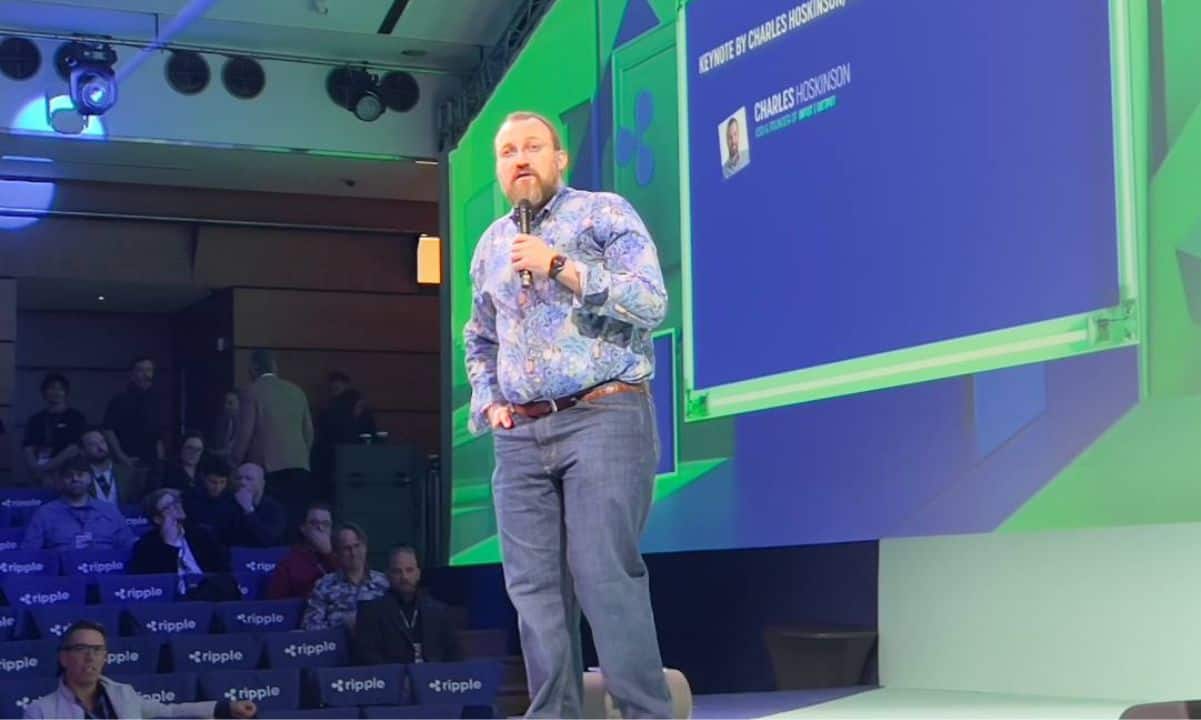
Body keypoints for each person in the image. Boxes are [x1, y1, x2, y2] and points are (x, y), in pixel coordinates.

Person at [463, 110, 671, 718]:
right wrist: (489, 401)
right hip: (520, 434)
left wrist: (560, 265)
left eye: (532, 147)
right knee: (534, 590)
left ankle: (645, 713)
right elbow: (479, 337)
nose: (519, 159)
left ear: (560, 159)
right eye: (507, 152)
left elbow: (650, 301)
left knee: (604, 575)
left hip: (603, 413)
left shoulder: (603, 213)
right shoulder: (491, 245)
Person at [23, 620, 256, 719]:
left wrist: (227, 707)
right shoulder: (40, 711)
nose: (90, 657)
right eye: (81, 649)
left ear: (105, 657)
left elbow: (171, 711)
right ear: (64, 658)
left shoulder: (124, 693)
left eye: (97, 650)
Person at [231, 349, 315, 533]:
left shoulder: (251, 392)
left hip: (268, 470)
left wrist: (234, 463)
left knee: (271, 524)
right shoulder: (297, 391)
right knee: (295, 524)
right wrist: (299, 456)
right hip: (300, 468)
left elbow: (245, 434)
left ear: (253, 367)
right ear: (275, 367)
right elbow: (309, 433)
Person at [353, 545, 462, 666]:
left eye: (409, 570)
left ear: (418, 574)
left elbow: (454, 656)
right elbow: (368, 658)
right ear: (387, 575)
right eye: (397, 571)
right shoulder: (370, 613)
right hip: (392, 676)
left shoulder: (439, 611)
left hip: (433, 676)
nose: (404, 577)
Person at [21, 456, 135, 552]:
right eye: (68, 476)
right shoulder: (44, 514)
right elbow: (29, 554)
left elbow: (129, 548)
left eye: (80, 474)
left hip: (107, 570)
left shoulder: (110, 511)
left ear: (90, 478)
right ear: (61, 481)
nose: (75, 479)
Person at [130, 488, 230, 595]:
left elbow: (223, 569)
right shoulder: (146, 546)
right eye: (168, 506)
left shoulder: (202, 535)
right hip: (174, 597)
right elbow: (156, 584)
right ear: (157, 519)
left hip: (209, 591)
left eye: (176, 501)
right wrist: (170, 545)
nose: (177, 506)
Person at [302, 522, 387, 631]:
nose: (353, 553)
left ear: (365, 547)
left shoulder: (384, 582)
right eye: (347, 548)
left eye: (357, 546)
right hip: (337, 640)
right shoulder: (324, 586)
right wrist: (343, 625)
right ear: (336, 554)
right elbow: (309, 628)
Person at [21, 373, 86, 484]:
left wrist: (47, 467)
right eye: (51, 388)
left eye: (60, 389)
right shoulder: (36, 419)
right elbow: (28, 447)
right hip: (40, 474)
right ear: (44, 393)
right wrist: (36, 469)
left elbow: (74, 448)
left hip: (69, 472)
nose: (55, 392)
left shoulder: (76, 417)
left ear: (66, 392)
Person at [102, 357, 165, 469]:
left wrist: (161, 461)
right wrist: (121, 457)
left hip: (153, 462)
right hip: (128, 461)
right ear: (132, 374)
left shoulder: (157, 400)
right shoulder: (120, 400)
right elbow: (108, 430)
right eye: (141, 370)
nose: (146, 374)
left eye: (149, 370)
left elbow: (158, 436)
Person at [265, 501, 336, 600]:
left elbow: (350, 585)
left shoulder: (342, 556)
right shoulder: (289, 563)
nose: (320, 528)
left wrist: (328, 553)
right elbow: (275, 602)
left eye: (326, 524)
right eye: (314, 523)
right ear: (303, 528)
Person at [221, 463, 287, 548]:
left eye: (249, 479)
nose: (242, 482)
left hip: (265, 554)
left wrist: (249, 510)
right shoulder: (228, 503)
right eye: (239, 478)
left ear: (261, 483)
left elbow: (267, 539)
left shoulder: (275, 509)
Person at [81, 428, 142, 506]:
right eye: (93, 444)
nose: (100, 447)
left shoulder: (128, 473)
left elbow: (137, 503)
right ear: (83, 451)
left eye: (102, 441)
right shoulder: (79, 476)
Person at [208, 390, 240, 465]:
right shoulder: (217, 421)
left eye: (230, 403)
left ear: (238, 405)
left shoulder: (242, 423)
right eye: (224, 402)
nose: (225, 406)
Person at [722, 114, 749, 179]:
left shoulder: (748, 154)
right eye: (730, 137)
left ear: (738, 135)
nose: (733, 140)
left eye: (735, 134)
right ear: (726, 140)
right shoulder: (723, 171)